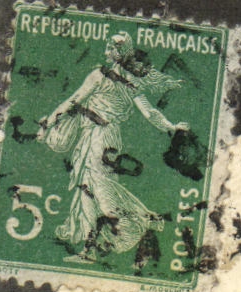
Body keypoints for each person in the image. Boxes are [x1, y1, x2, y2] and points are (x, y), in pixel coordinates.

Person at [37, 33, 186, 261]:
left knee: (97, 188)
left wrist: (48, 122)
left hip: (97, 137)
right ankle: (90, 249)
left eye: (110, 49)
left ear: (119, 54)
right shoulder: (131, 84)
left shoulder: (99, 76)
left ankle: (142, 219)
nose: (106, 53)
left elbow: (73, 100)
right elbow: (150, 113)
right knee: (88, 187)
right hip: (107, 138)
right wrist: (171, 127)